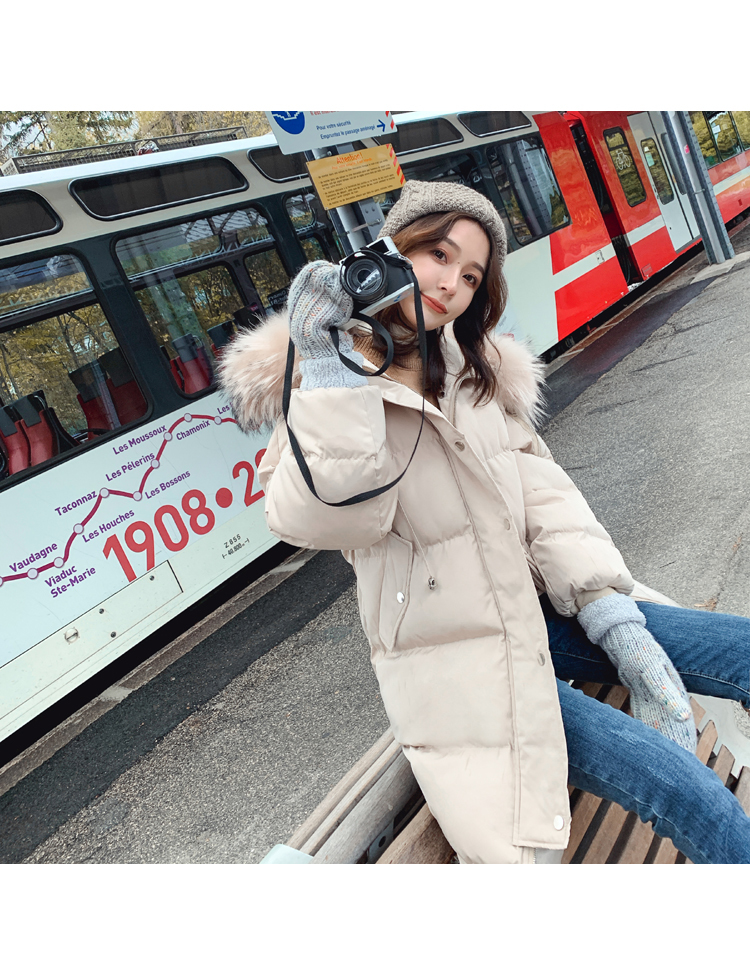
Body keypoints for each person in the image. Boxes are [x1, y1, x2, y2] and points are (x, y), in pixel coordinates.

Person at [219, 180, 750, 864]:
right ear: (389, 251)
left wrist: (607, 610)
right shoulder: (324, 386)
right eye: (438, 255)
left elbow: (544, 497)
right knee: (691, 791)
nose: (451, 284)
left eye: (471, 275)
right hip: (464, 661)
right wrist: (329, 371)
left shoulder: (471, 369)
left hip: (538, 613)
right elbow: (325, 520)